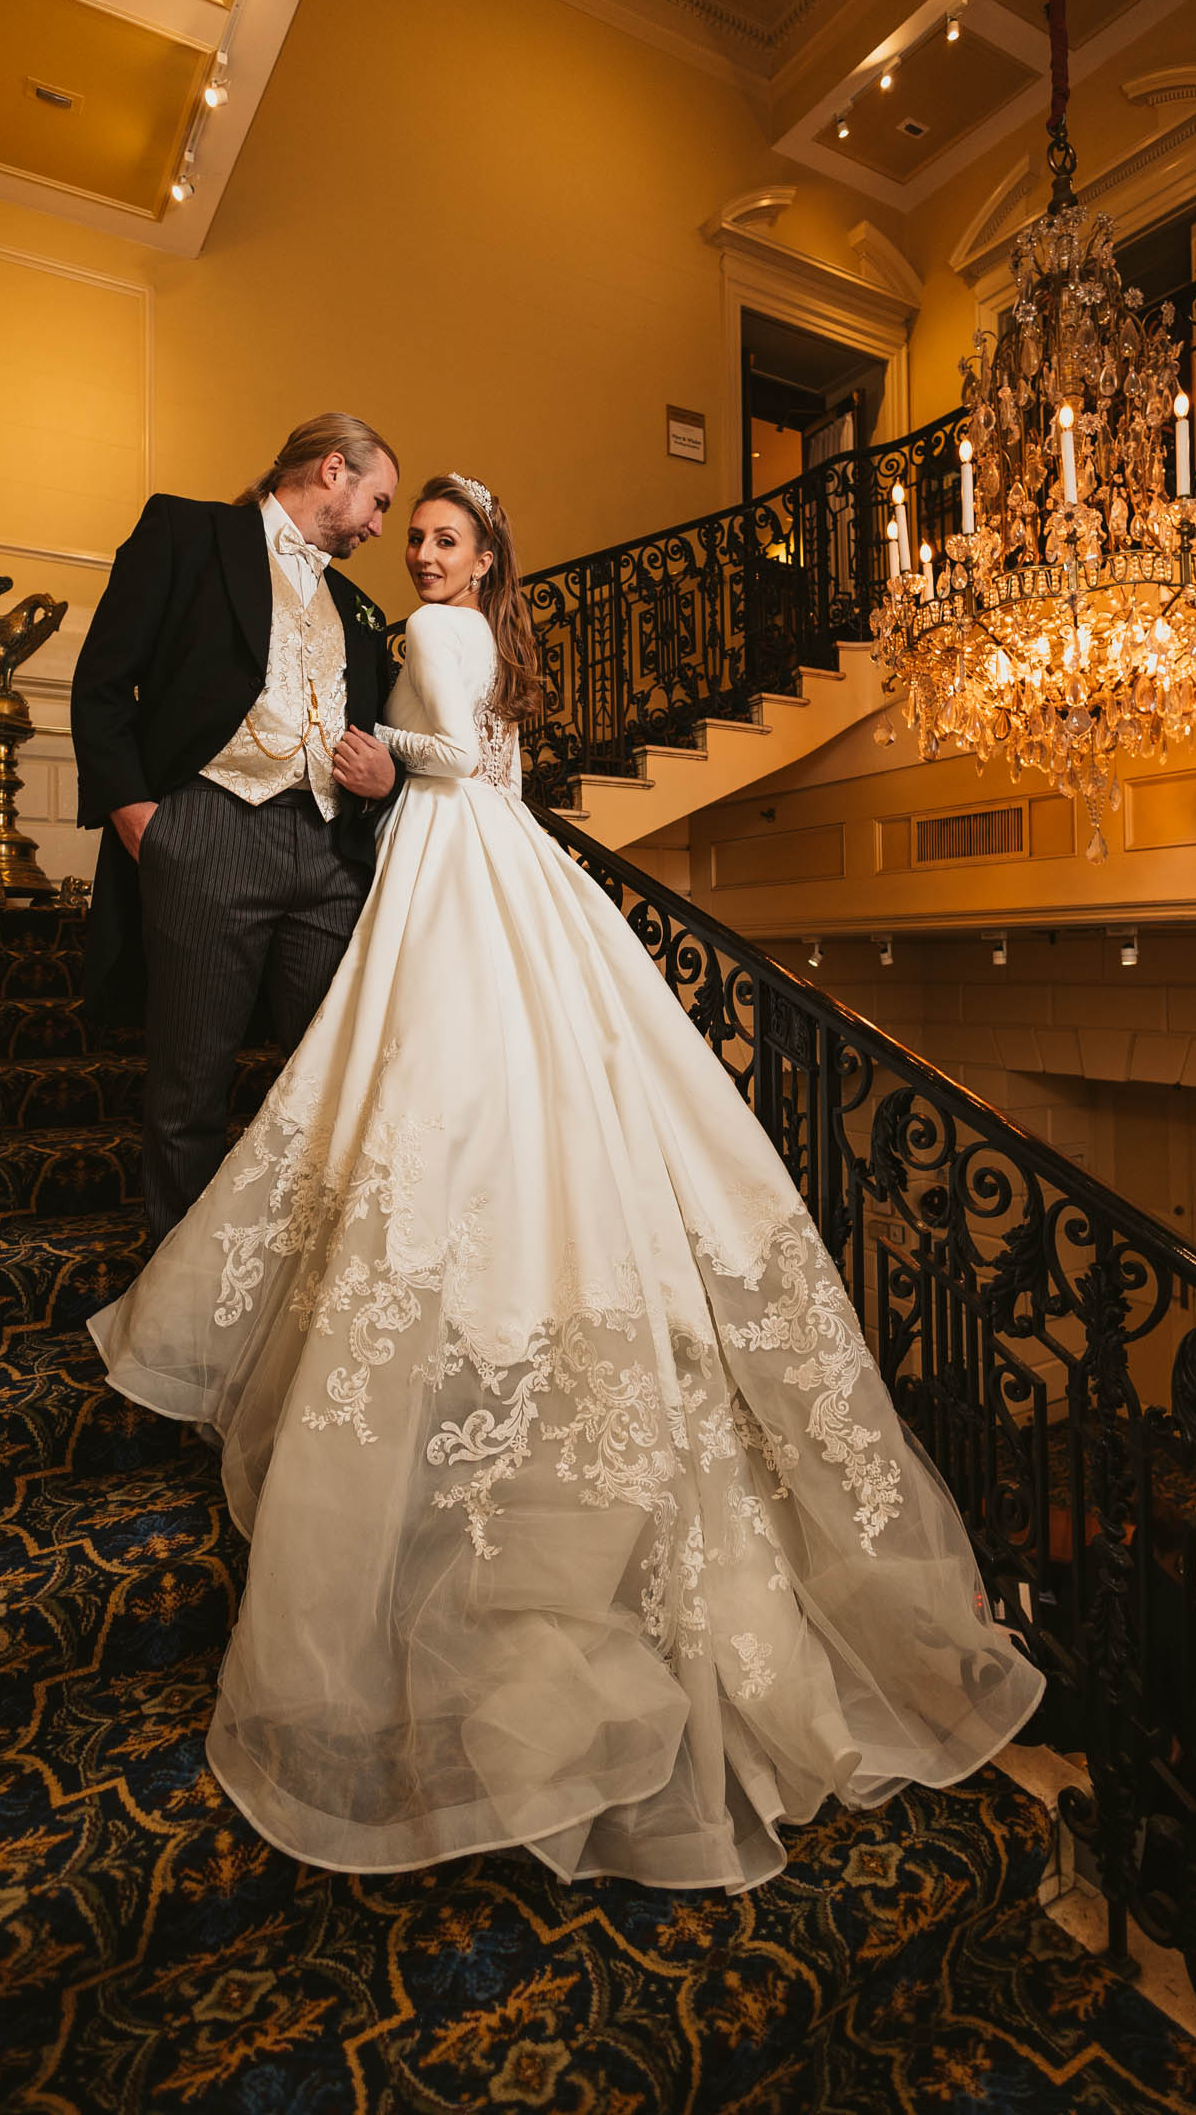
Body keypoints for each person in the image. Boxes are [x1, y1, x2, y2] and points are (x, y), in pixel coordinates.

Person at [89, 471, 1044, 1893]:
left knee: (429, 1084)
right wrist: (402, 768)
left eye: (447, 541)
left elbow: (458, 767)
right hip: (482, 860)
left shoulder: (438, 635)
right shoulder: (478, 636)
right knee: (484, 1085)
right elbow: (503, 772)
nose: (423, 553)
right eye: (415, 536)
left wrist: (379, 767)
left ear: (485, 558)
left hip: (453, 859)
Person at [71, 414, 402, 1242]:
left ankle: (296, 1283)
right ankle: (173, 1306)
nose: (380, 526)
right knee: (191, 1083)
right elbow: (104, 683)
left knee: (329, 1078)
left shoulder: (359, 609)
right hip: (209, 830)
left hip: (328, 853)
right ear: (333, 469)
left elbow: (395, 725)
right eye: (379, 501)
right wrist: (140, 816)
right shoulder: (187, 533)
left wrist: (386, 777)